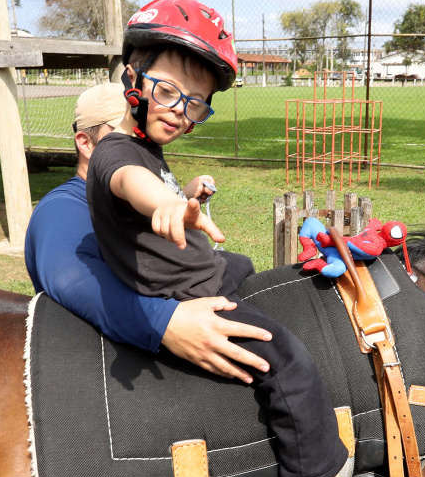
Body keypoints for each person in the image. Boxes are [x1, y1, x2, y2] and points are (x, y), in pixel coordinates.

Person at [85, 0, 399, 477]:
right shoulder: (116, 153)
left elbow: (152, 183)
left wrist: (186, 194)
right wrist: (165, 202)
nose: (180, 112)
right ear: (131, 77)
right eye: (168, 92)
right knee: (288, 359)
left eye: (196, 105)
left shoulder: (143, 146)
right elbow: (131, 184)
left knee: (247, 266)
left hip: (204, 270)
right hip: (184, 297)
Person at [25, 82, 272, 383]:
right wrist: (167, 323)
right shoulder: (61, 207)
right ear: (86, 143)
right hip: (108, 372)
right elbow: (70, 278)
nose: (134, 142)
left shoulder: (136, 189)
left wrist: (183, 198)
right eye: (121, 132)